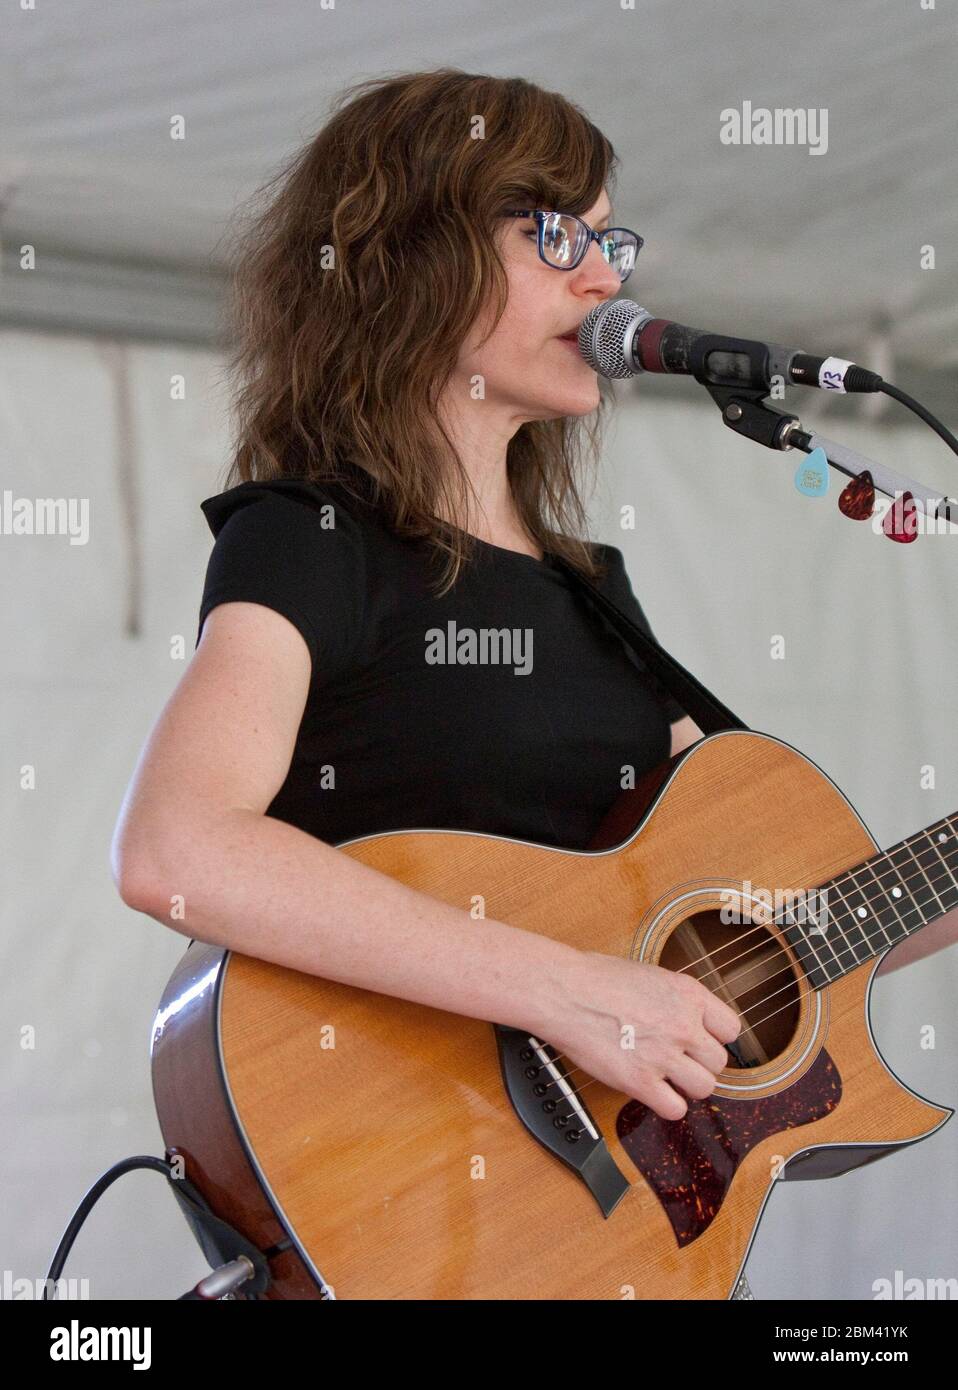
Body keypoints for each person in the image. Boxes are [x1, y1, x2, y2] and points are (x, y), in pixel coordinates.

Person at [111, 67, 742, 1134]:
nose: (604, 281)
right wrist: (568, 992)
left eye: (608, 240)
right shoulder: (310, 542)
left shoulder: (593, 593)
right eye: (556, 235)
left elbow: (802, 899)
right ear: (414, 258)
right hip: (399, 1161)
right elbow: (175, 848)